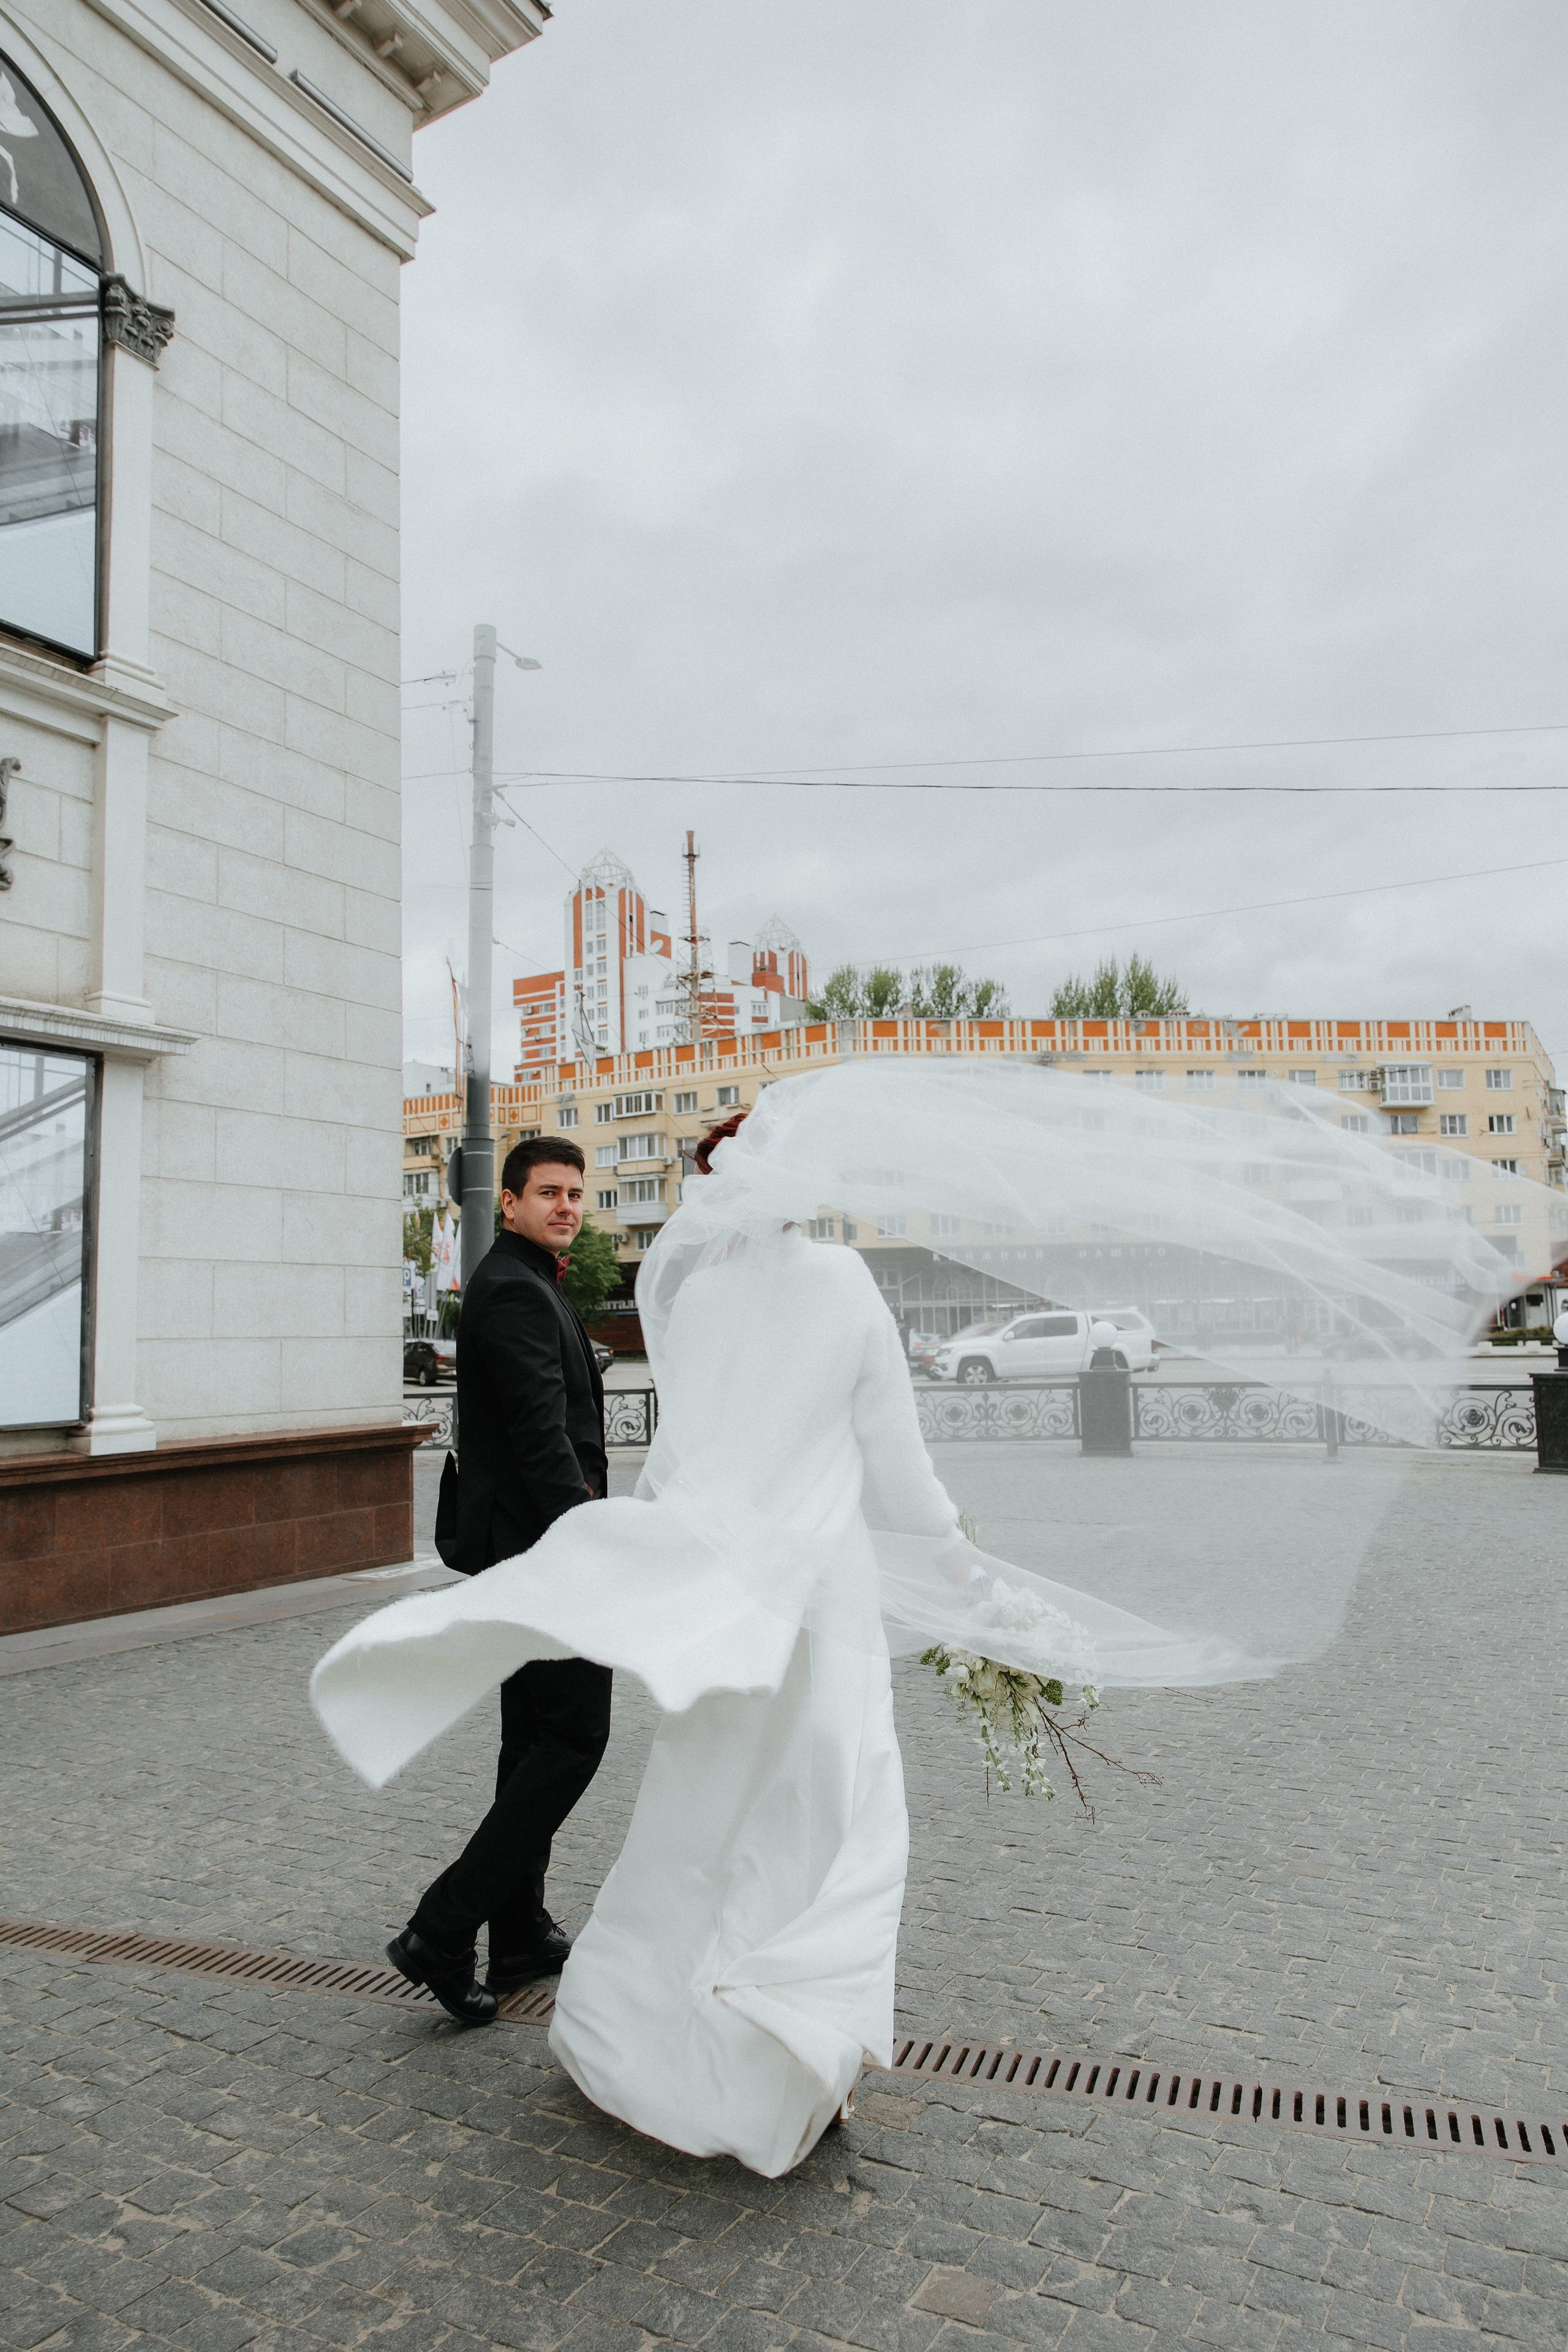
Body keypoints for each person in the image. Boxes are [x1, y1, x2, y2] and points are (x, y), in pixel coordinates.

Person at [385, 1135, 608, 2027]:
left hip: (529, 1548)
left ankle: (518, 1926)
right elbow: (539, 1436)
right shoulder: (514, 1289)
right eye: (548, 1192)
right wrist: (585, 1544)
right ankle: (442, 1931)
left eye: (576, 1194)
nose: (566, 1207)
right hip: (543, 1553)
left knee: (532, 1740)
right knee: (574, 1740)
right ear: (509, 1201)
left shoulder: (527, 1280)